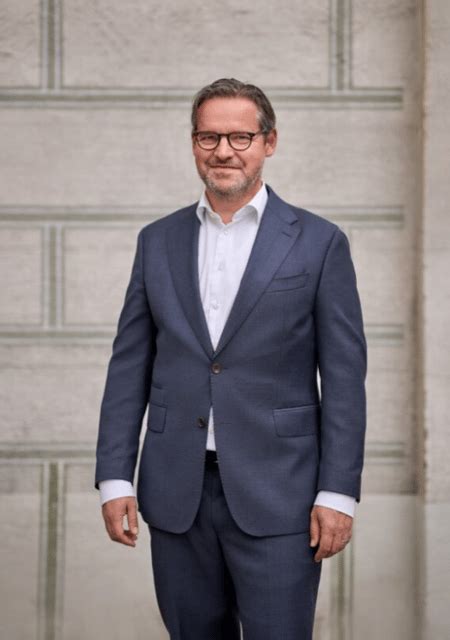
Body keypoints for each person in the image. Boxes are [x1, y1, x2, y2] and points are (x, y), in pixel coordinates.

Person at [95, 78, 367, 640]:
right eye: (209, 137)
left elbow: (344, 378)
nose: (223, 151)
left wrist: (338, 492)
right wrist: (115, 478)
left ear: (269, 142)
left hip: (283, 494)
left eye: (240, 137)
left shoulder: (319, 242)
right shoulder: (157, 241)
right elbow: (129, 367)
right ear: (193, 143)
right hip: (176, 492)